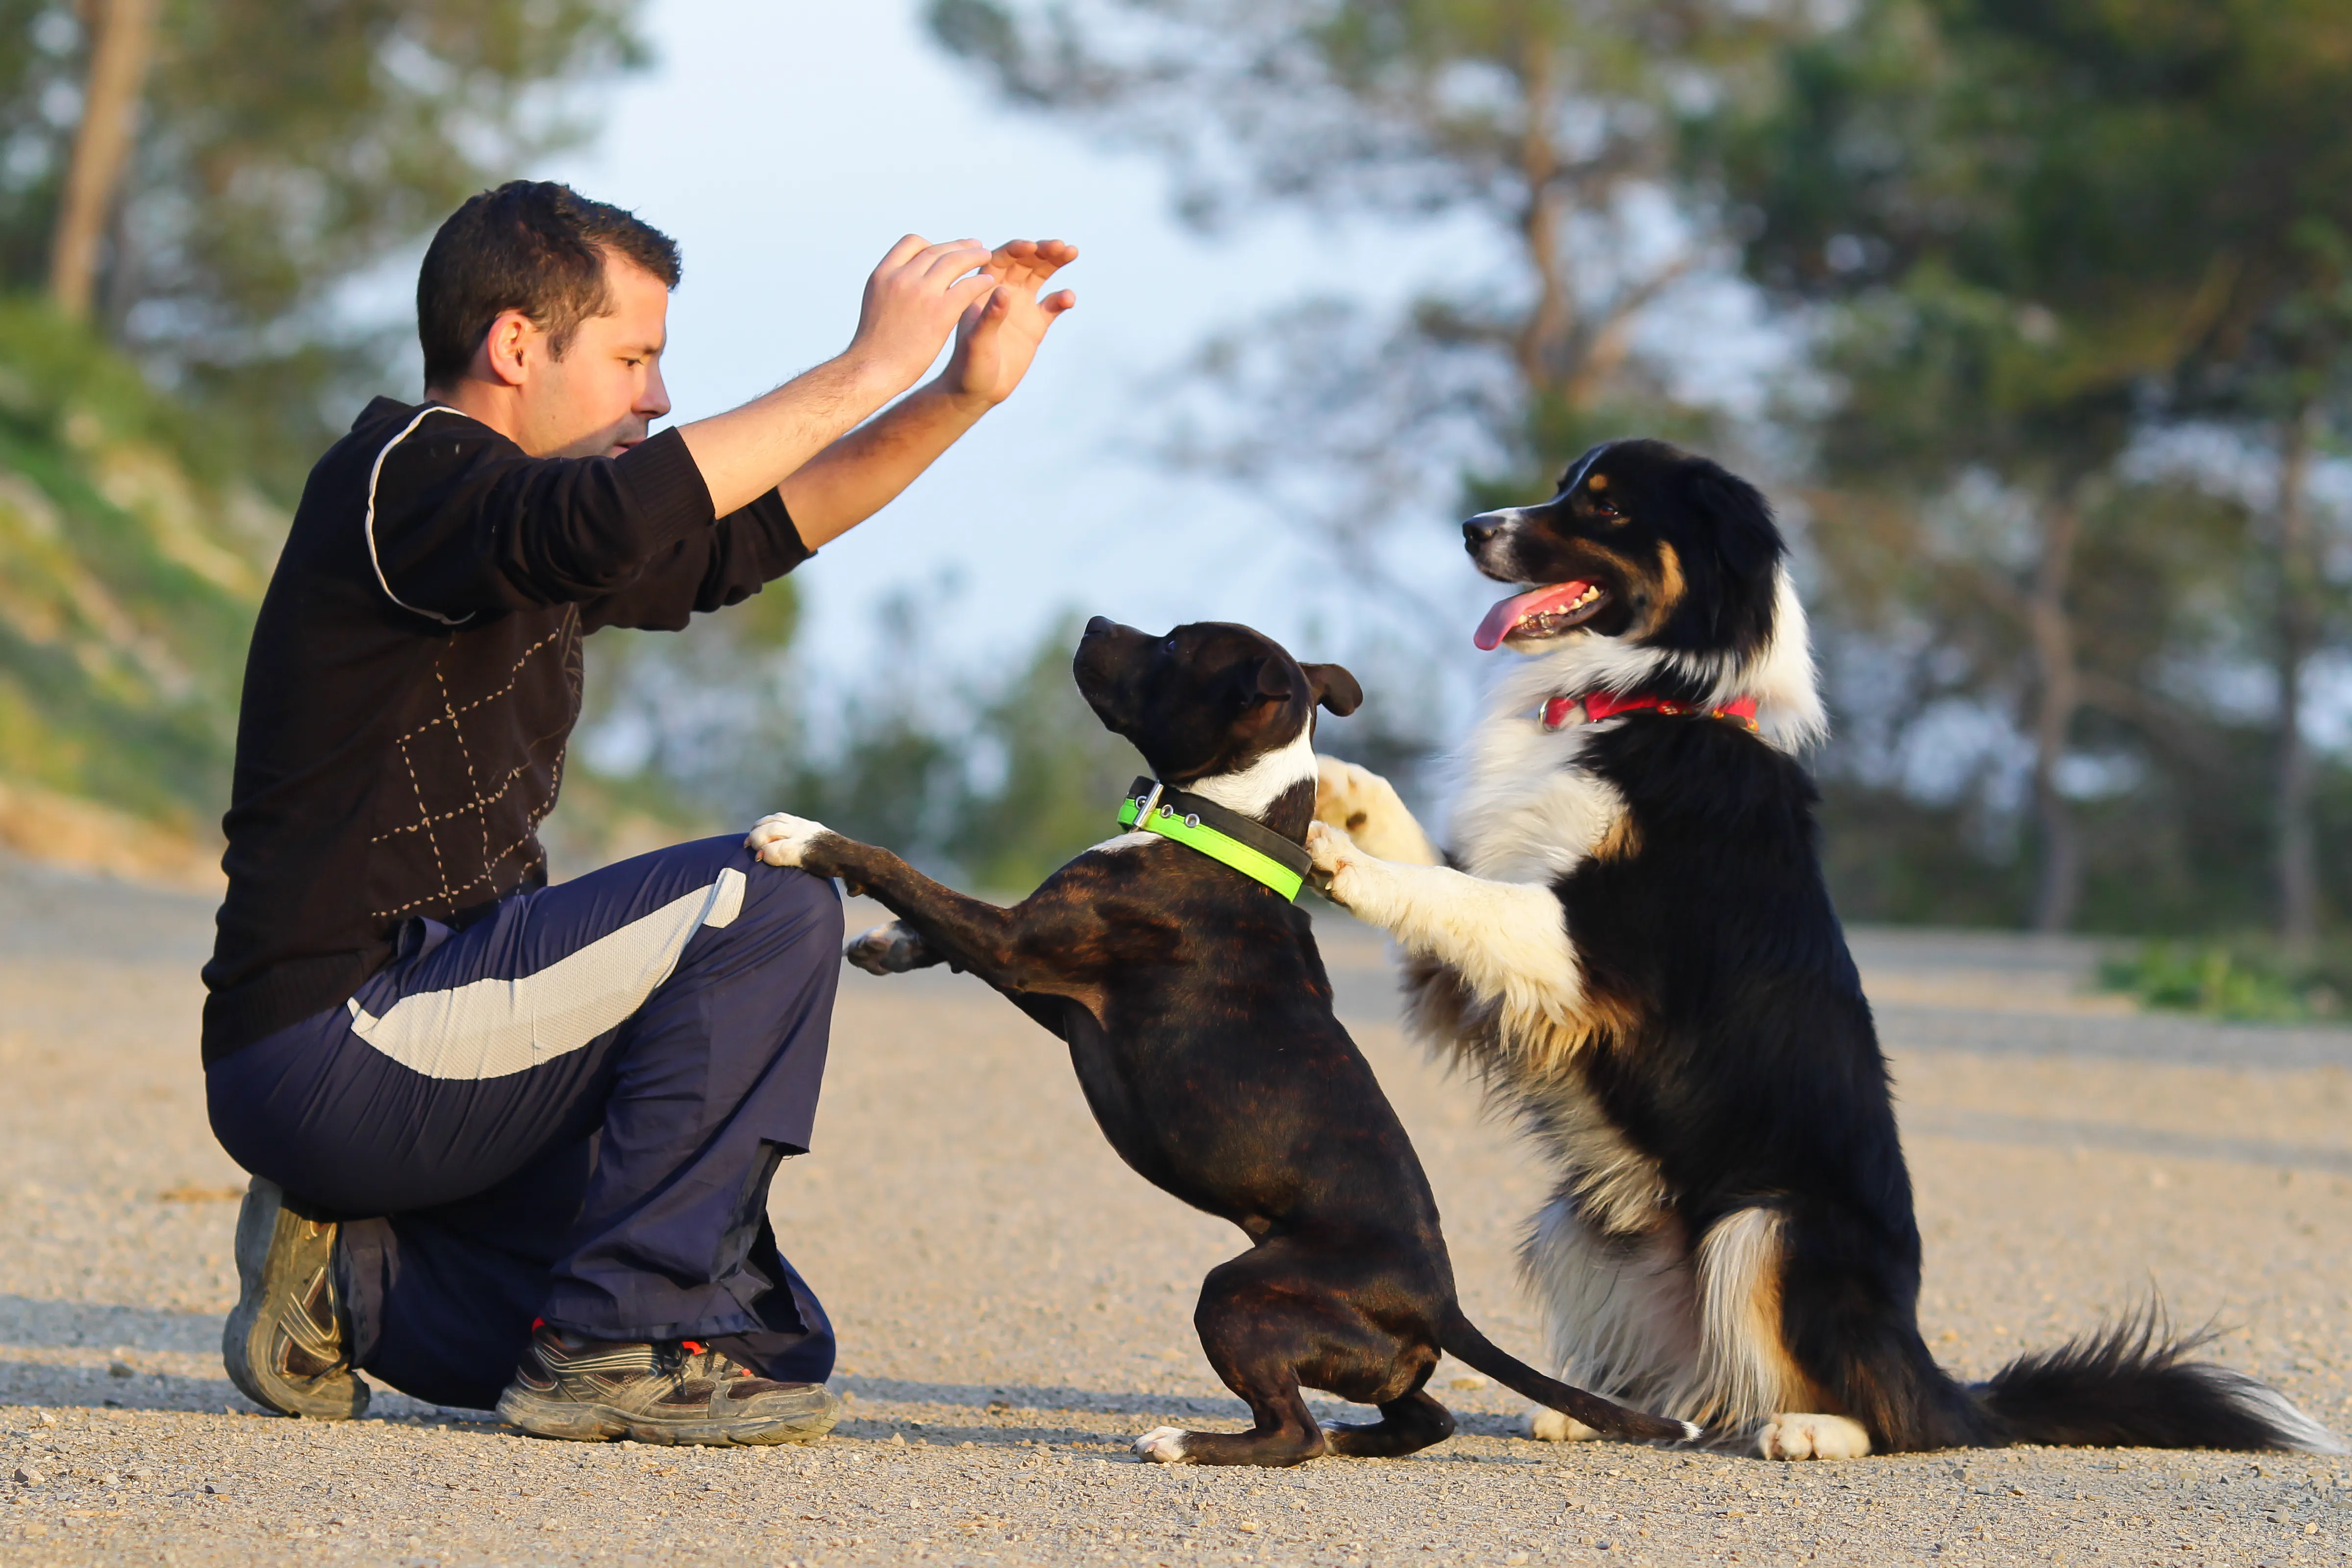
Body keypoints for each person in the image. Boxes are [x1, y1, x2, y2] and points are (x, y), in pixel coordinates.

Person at [199, 180, 1076, 1445]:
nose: (657, 394)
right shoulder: (408, 480)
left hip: (448, 1050)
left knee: (758, 1343)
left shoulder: (520, 527)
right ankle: (606, 1353)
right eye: (633, 357)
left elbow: (747, 535)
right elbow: (608, 518)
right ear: (514, 346)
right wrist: (867, 361)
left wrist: (954, 394)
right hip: (346, 1040)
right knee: (771, 898)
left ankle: (344, 1280)